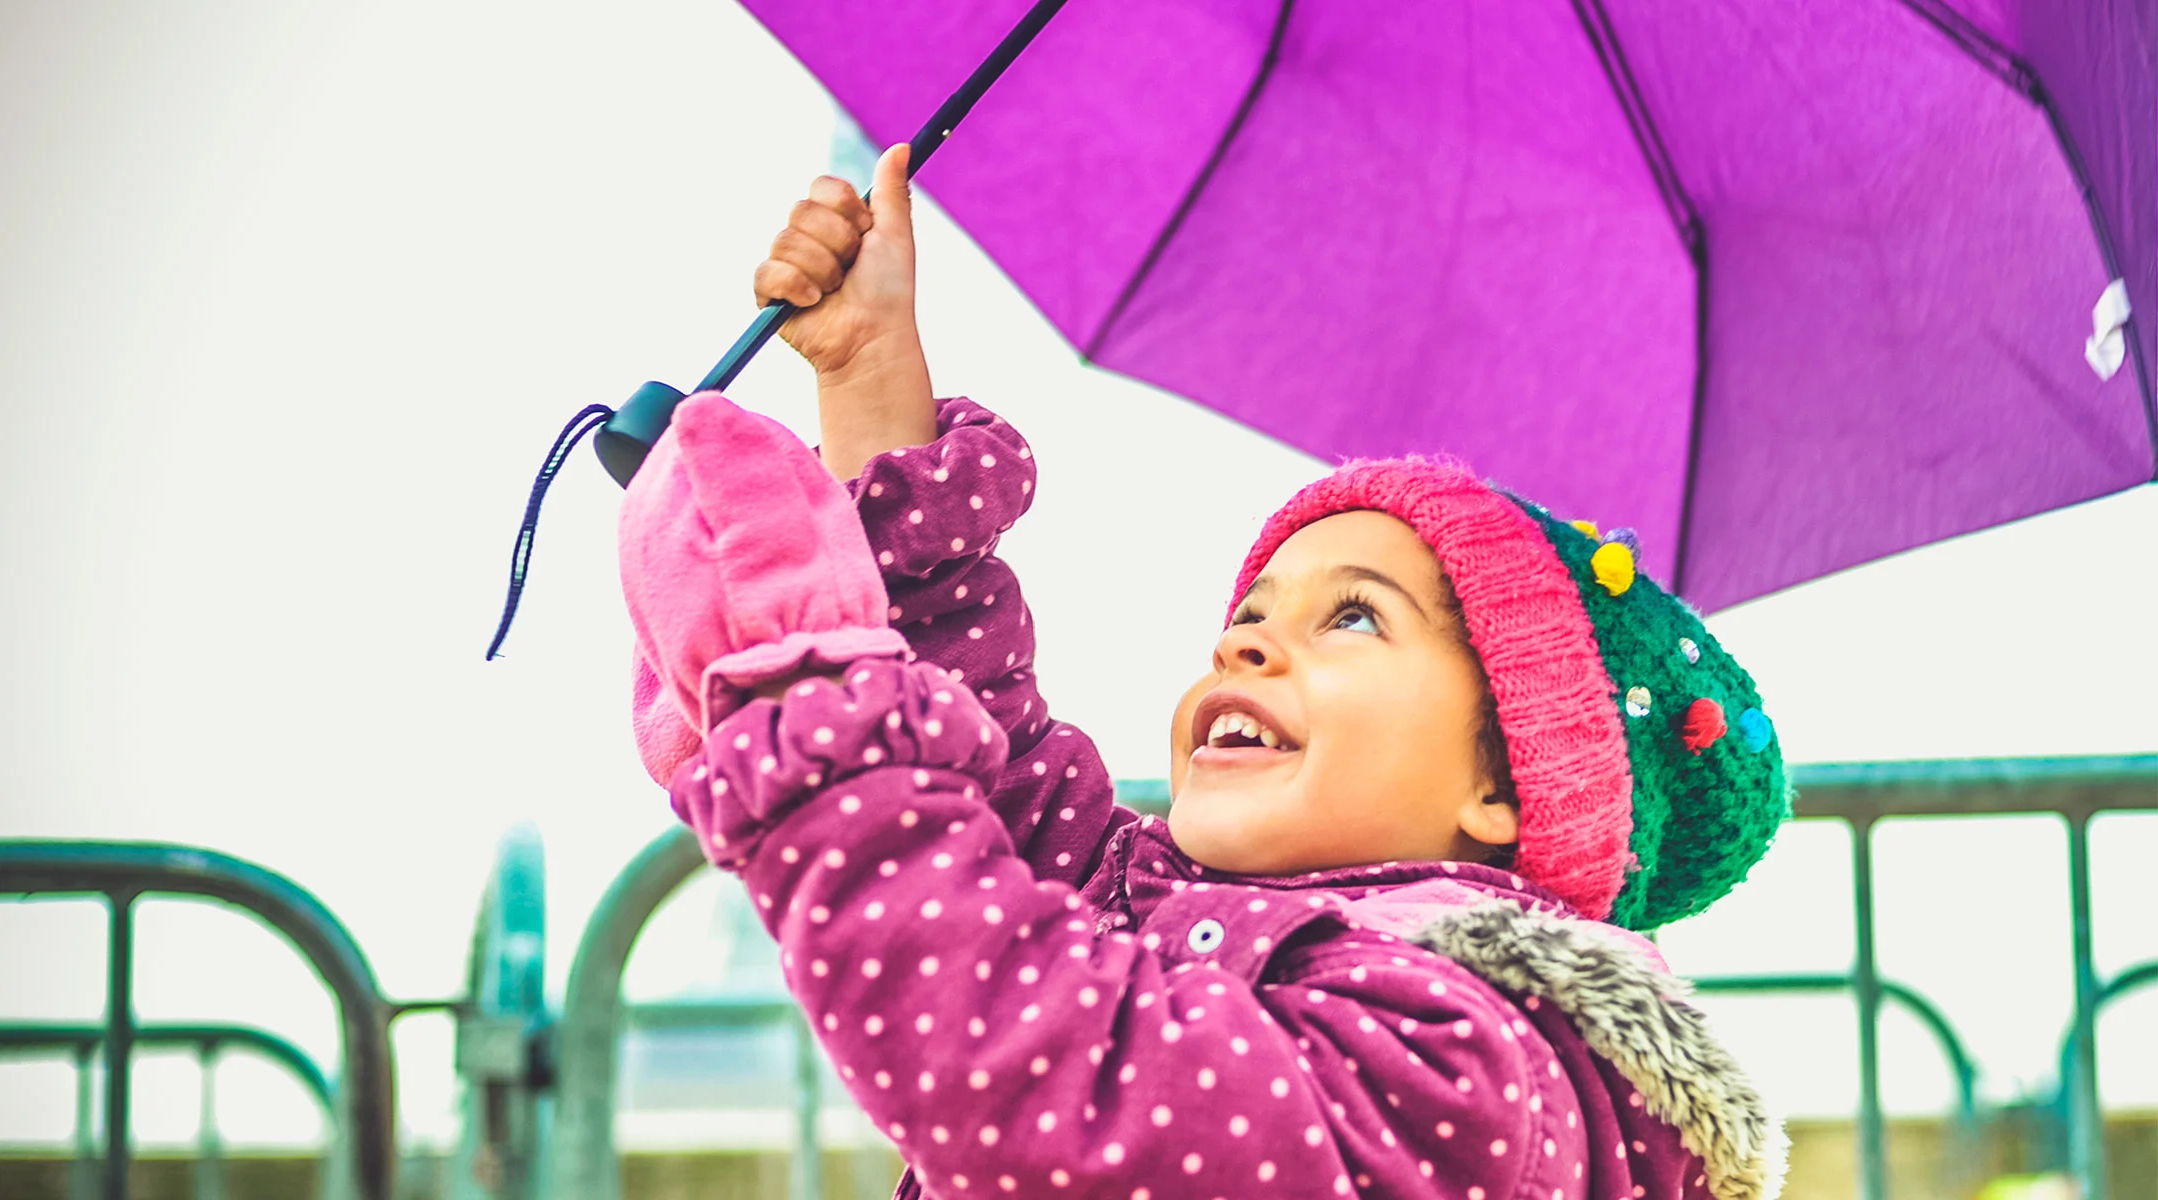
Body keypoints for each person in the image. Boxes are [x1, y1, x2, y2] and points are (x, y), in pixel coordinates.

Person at [618, 144, 1791, 1200]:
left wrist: (810, 704)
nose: (1245, 644)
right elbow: (988, 791)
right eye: (1249, 616)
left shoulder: (1476, 1062)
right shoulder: (1158, 912)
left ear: (1506, 785)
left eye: (1353, 620)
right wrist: (870, 378)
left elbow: (1060, 1095)